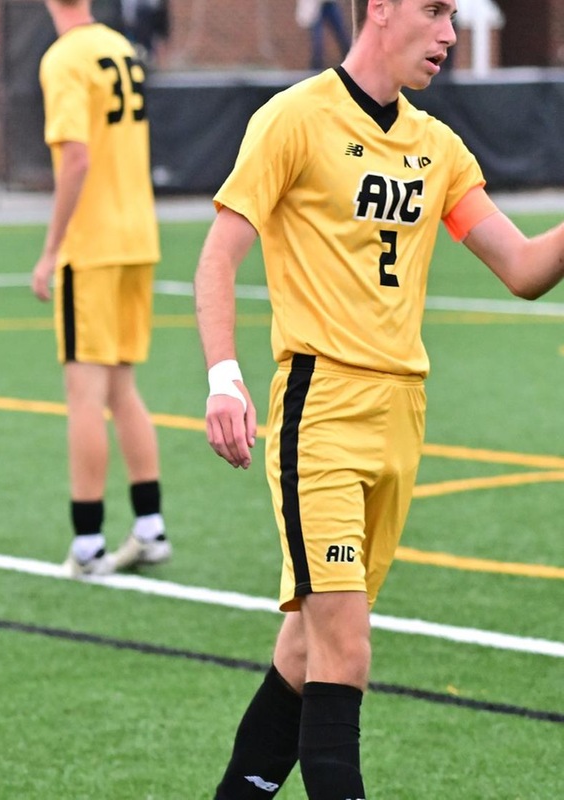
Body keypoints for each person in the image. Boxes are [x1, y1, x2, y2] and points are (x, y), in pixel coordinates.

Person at [196, 2, 564, 796]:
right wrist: (223, 378)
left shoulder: (439, 150)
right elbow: (219, 256)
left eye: (454, 16)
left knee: (303, 653)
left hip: (403, 416)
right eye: (433, 11)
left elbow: (526, 269)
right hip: (320, 410)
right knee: (346, 652)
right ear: (380, 10)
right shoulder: (293, 120)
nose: (449, 34)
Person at [31, 0, 171, 578]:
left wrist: (51, 248)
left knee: (85, 396)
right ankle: (149, 526)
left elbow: (77, 159)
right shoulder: (119, 47)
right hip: (139, 237)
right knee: (121, 389)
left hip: (93, 247)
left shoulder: (65, 57)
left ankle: (88, 543)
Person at [298, 0, 353, 71]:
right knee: (318, 41)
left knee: (343, 37)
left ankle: (350, 64)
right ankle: (315, 70)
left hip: (330, 3)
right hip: (314, 6)